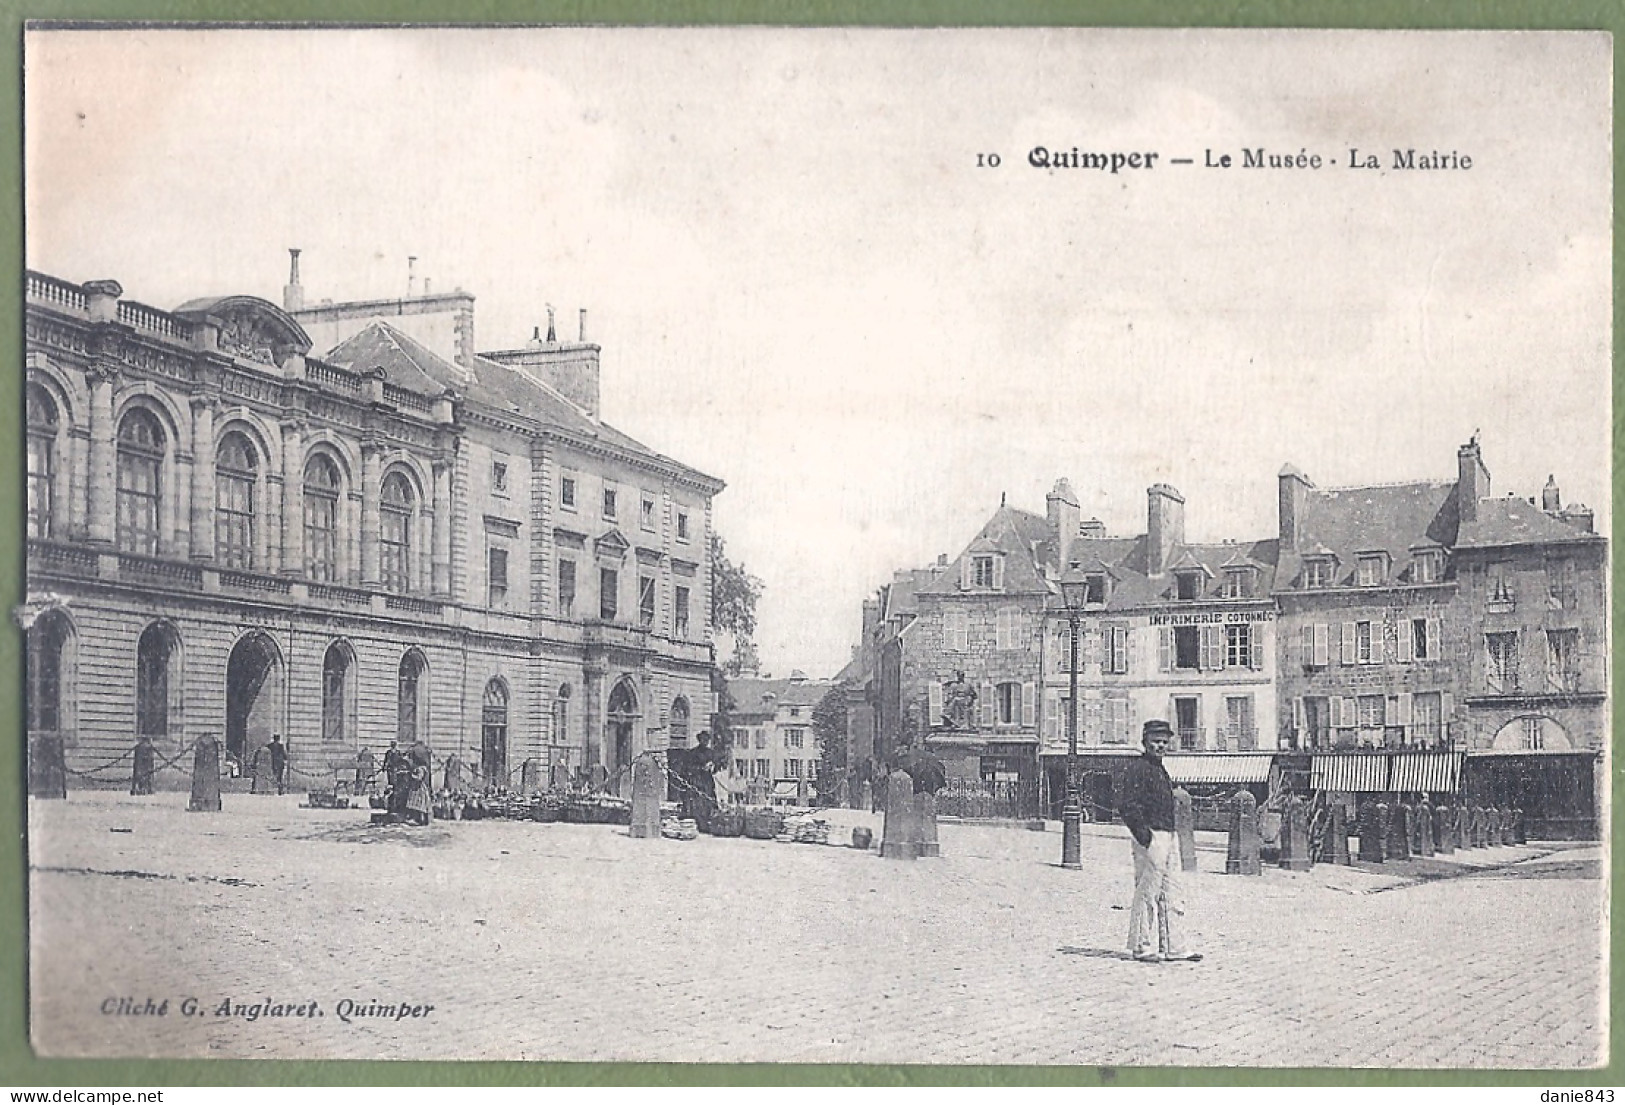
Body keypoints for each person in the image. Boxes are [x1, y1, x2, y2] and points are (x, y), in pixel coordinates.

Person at [1119, 719, 1201, 964]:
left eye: (1165, 742)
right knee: (1147, 890)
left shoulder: (1161, 770)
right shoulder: (1137, 769)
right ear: (1145, 742)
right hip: (1151, 836)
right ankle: (1140, 946)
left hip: (1168, 834)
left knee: (1172, 890)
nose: (1161, 746)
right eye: (1156, 741)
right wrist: (1144, 836)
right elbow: (1127, 805)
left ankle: (1175, 947)